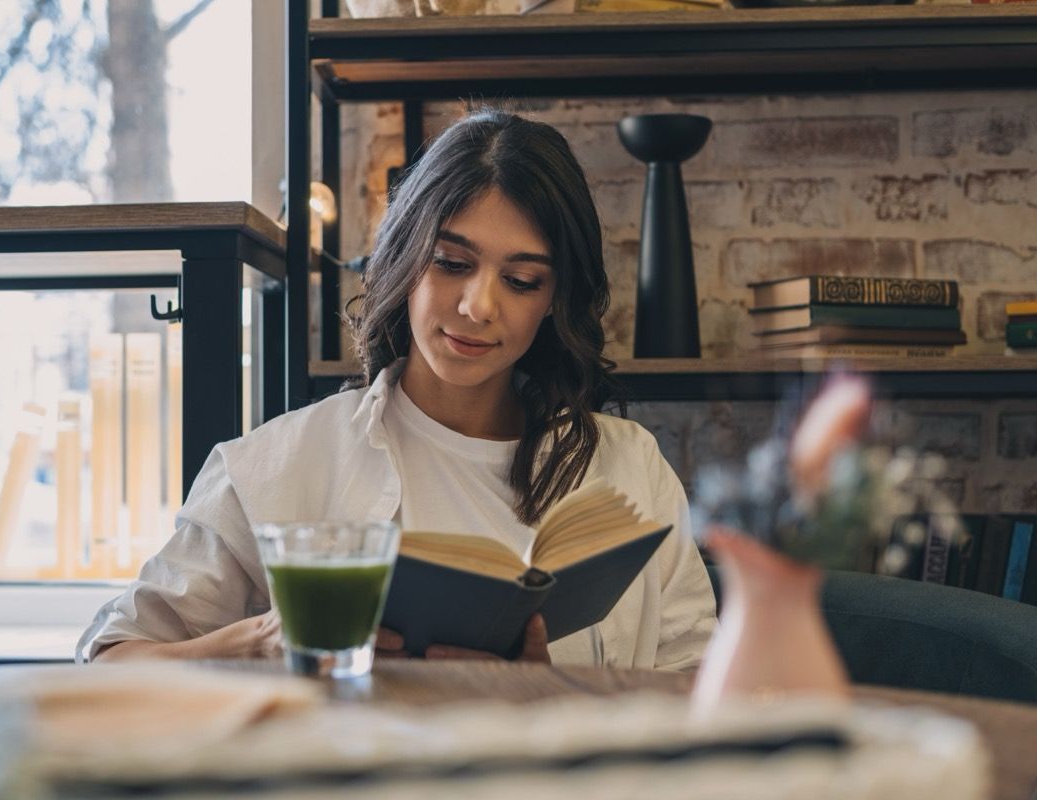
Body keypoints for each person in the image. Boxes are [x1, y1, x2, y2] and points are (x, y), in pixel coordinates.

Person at [77, 109, 716, 669]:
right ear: (406, 257)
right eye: (452, 263)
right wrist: (259, 646)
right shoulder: (276, 466)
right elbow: (110, 662)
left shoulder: (631, 470)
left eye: (522, 280)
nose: (478, 306)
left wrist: (548, 691)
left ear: (554, 300)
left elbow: (706, 695)